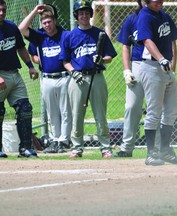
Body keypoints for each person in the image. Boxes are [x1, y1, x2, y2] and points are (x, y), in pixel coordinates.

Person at [59, 0, 117, 158]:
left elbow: (109, 55)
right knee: (77, 114)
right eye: (80, 13)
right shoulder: (69, 36)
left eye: (86, 12)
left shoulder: (100, 34)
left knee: (100, 114)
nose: (84, 15)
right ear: (76, 16)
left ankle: (105, 148)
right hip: (77, 78)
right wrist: (73, 72)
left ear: (90, 15)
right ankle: (77, 148)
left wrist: (102, 60)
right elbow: (65, 60)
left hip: (97, 77)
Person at [137, 0, 177, 165]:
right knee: (154, 112)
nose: (160, 1)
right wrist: (161, 58)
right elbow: (147, 41)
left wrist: (172, 66)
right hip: (151, 67)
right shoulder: (144, 16)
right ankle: (151, 153)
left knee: (171, 111)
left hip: (167, 69)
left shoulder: (164, 15)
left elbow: (172, 41)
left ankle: (165, 150)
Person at [18, 4, 72, 154]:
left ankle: (64, 140)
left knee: (65, 110)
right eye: (44, 23)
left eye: (49, 21)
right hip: (47, 78)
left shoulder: (65, 34)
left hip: (64, 77)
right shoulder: (39, 36)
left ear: (54, 21)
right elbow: (21, 29)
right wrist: (35, 12)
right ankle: (55, 140)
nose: (47, 25)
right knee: (52, 111)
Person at [0, 0, 39, 158]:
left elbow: (21, 47)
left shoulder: (11, 27)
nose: (1, 13)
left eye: (3, 9)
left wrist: (30, 66)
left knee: (25, 109)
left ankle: (25, 148)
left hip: (14, 74)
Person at [114, 0, 145, 157]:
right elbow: (126, 46)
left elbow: (171, 44)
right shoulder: (132, 19)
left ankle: (160, 147)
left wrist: (171, 69)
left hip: (158, 65)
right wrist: (127, 70)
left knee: (157, 109)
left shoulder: (162, 17)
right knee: (131, 106)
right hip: (137, 65)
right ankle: (127, 146)